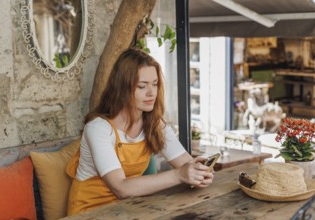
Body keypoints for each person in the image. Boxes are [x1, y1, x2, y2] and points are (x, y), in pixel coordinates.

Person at [66, 48, 214, 215]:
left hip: (129, 209)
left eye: (155, 84)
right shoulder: (98, 128)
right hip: (89, 212)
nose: (151, 93)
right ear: (122, 89)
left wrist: (200, 173)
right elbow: (121, 188)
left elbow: (185, 164)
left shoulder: (154, 124)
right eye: (142, 86)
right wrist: (179, 175)